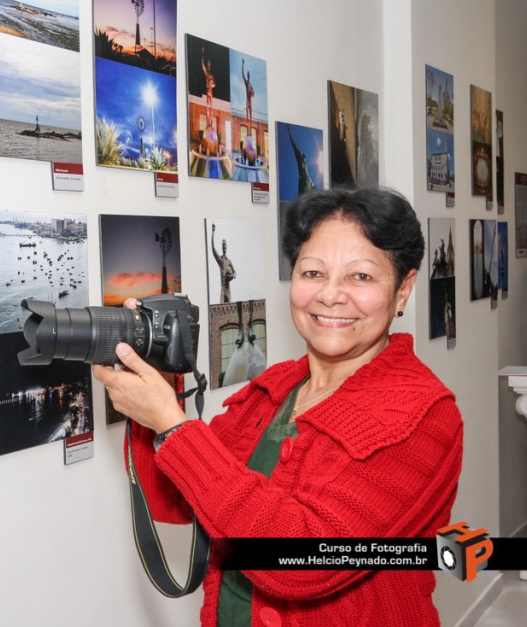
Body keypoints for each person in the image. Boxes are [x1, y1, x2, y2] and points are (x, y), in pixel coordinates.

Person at [94, 186, 463, 626]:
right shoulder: (274, 388)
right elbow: (175, 502)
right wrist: (152, 386)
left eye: (360, 277)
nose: (330, 295)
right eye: (312, 273)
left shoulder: (424, 413)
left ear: (403, 289)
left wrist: (173, 426)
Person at [210, 223, 236, 303]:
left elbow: (235, 272)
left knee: (230, 309)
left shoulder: (229, 261)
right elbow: (213, 249)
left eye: (225, 245)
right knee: (221, 308)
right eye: (223, 245)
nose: (224, 246)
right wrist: (213, 232)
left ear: (226, 247)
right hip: (223, 288)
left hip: (228, 289)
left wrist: (232, 276)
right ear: (222, 247)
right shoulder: (220, 261)